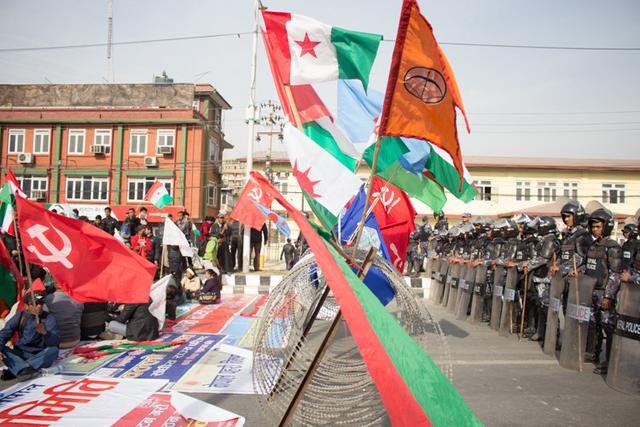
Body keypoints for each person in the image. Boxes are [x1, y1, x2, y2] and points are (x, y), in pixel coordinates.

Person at [583, 209, 621, 375]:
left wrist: (608, 296)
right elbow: (588, 264)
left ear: (606, 227)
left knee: (608, 326)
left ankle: (610, 360)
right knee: (592, 323)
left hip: (604, 292)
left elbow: (615, 273)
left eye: (598, 226)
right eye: (593, 227)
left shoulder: (612, 247)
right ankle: (592, 353)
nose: (595, 230)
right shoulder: (593, 246)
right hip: (591, 290)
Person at [0, 293, 59, 382]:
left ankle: (19, 370)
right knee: (3, 350)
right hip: (21, 353)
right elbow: (5, 333)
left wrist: (45, 333)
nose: (39, 306)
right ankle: (24, 369)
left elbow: (54, 341)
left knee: (53, 351)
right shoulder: (20, 316)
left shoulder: (48, 318)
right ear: (26, 306)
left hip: (39, 354)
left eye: (41, 303)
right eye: (35, 304)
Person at [45, 282, 83, 348]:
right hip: (75, 339)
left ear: (55, 284)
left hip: (57, 342)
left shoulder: (48, 299)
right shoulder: (79, 298)